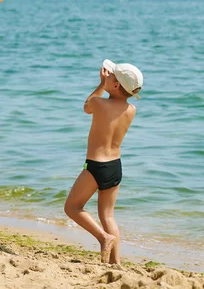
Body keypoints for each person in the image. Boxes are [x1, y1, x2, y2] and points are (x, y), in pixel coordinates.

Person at [64, 59, 143, 264]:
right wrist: (108, 84)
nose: (106, 75)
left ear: (116, 85)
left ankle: (102, 238)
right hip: (115, 167)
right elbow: (115, 102)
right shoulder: (131, 109)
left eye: (110, 76)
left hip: (96, 166)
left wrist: (100, 85)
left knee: (72, 207)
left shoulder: (100, 103)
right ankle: (115, 263)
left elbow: (87, 107)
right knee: (108, 216)